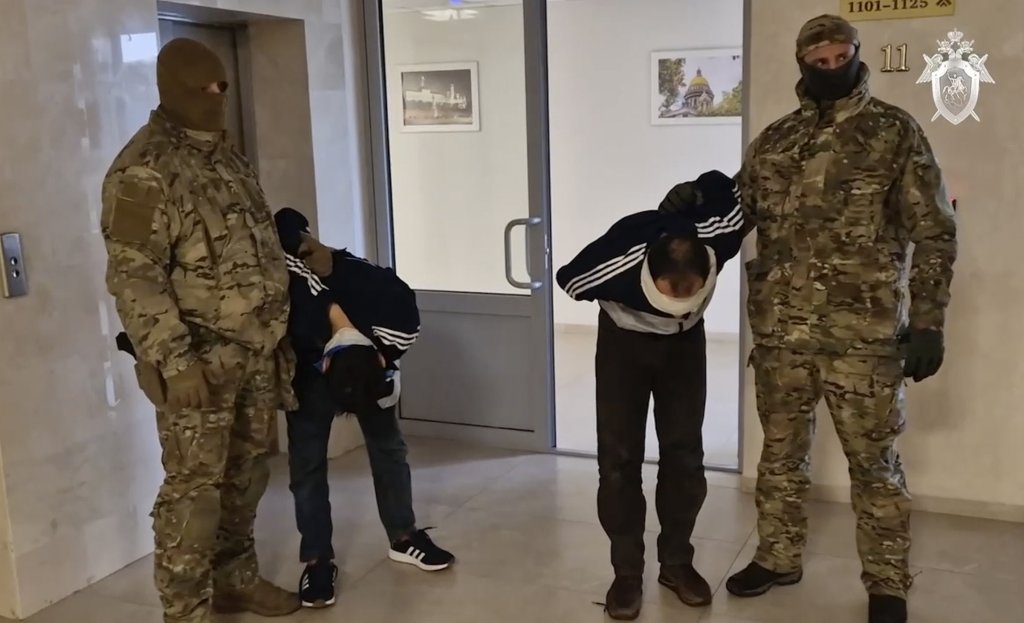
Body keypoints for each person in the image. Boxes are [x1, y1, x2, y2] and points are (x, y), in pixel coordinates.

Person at [728, 15, 957, 623]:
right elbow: (736, 213)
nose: (832, 69)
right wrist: (687, 208)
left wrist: (929, 322)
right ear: (802, 63)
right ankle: (777, 557)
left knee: (875, 466)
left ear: (857, 55)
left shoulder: (893, 131)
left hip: (864, 339)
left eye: (841, 57)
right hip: (782, 336)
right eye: (820, 61)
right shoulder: (775, 141)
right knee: (780, 456)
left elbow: (935, 232)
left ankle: (887, 584)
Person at [100, 39, 301, 623]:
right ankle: (185, 608)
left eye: (222, 86)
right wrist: (174, 361)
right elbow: (135, 275)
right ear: (170, 89)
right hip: (198, 363)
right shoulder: (144, 169)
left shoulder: (227, 157)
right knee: (194, 491)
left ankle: (235, 580)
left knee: (246, 476)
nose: (216, 96)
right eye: (203, 88)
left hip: (255, 352)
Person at [555, 171, 745, 620]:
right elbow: (570, 280)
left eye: (690, 293)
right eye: (668, 296)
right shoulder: (618, 259)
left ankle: (676, 564)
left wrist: (700, 187)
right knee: (618, 461)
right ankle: (627, 573)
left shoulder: (717, 238)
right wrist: (625, 301)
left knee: (685, 456)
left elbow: (731, 191)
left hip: (685, 349)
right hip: (624, 348)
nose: (679, 302)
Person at [274, 208, 455, 609]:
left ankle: (404, 536)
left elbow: (398, 329)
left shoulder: (388, 308)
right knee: (307, 464)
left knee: (388, 448)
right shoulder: (291, 295)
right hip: (309, 367)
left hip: (366, 354)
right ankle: (317, 560)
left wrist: (376, 362)